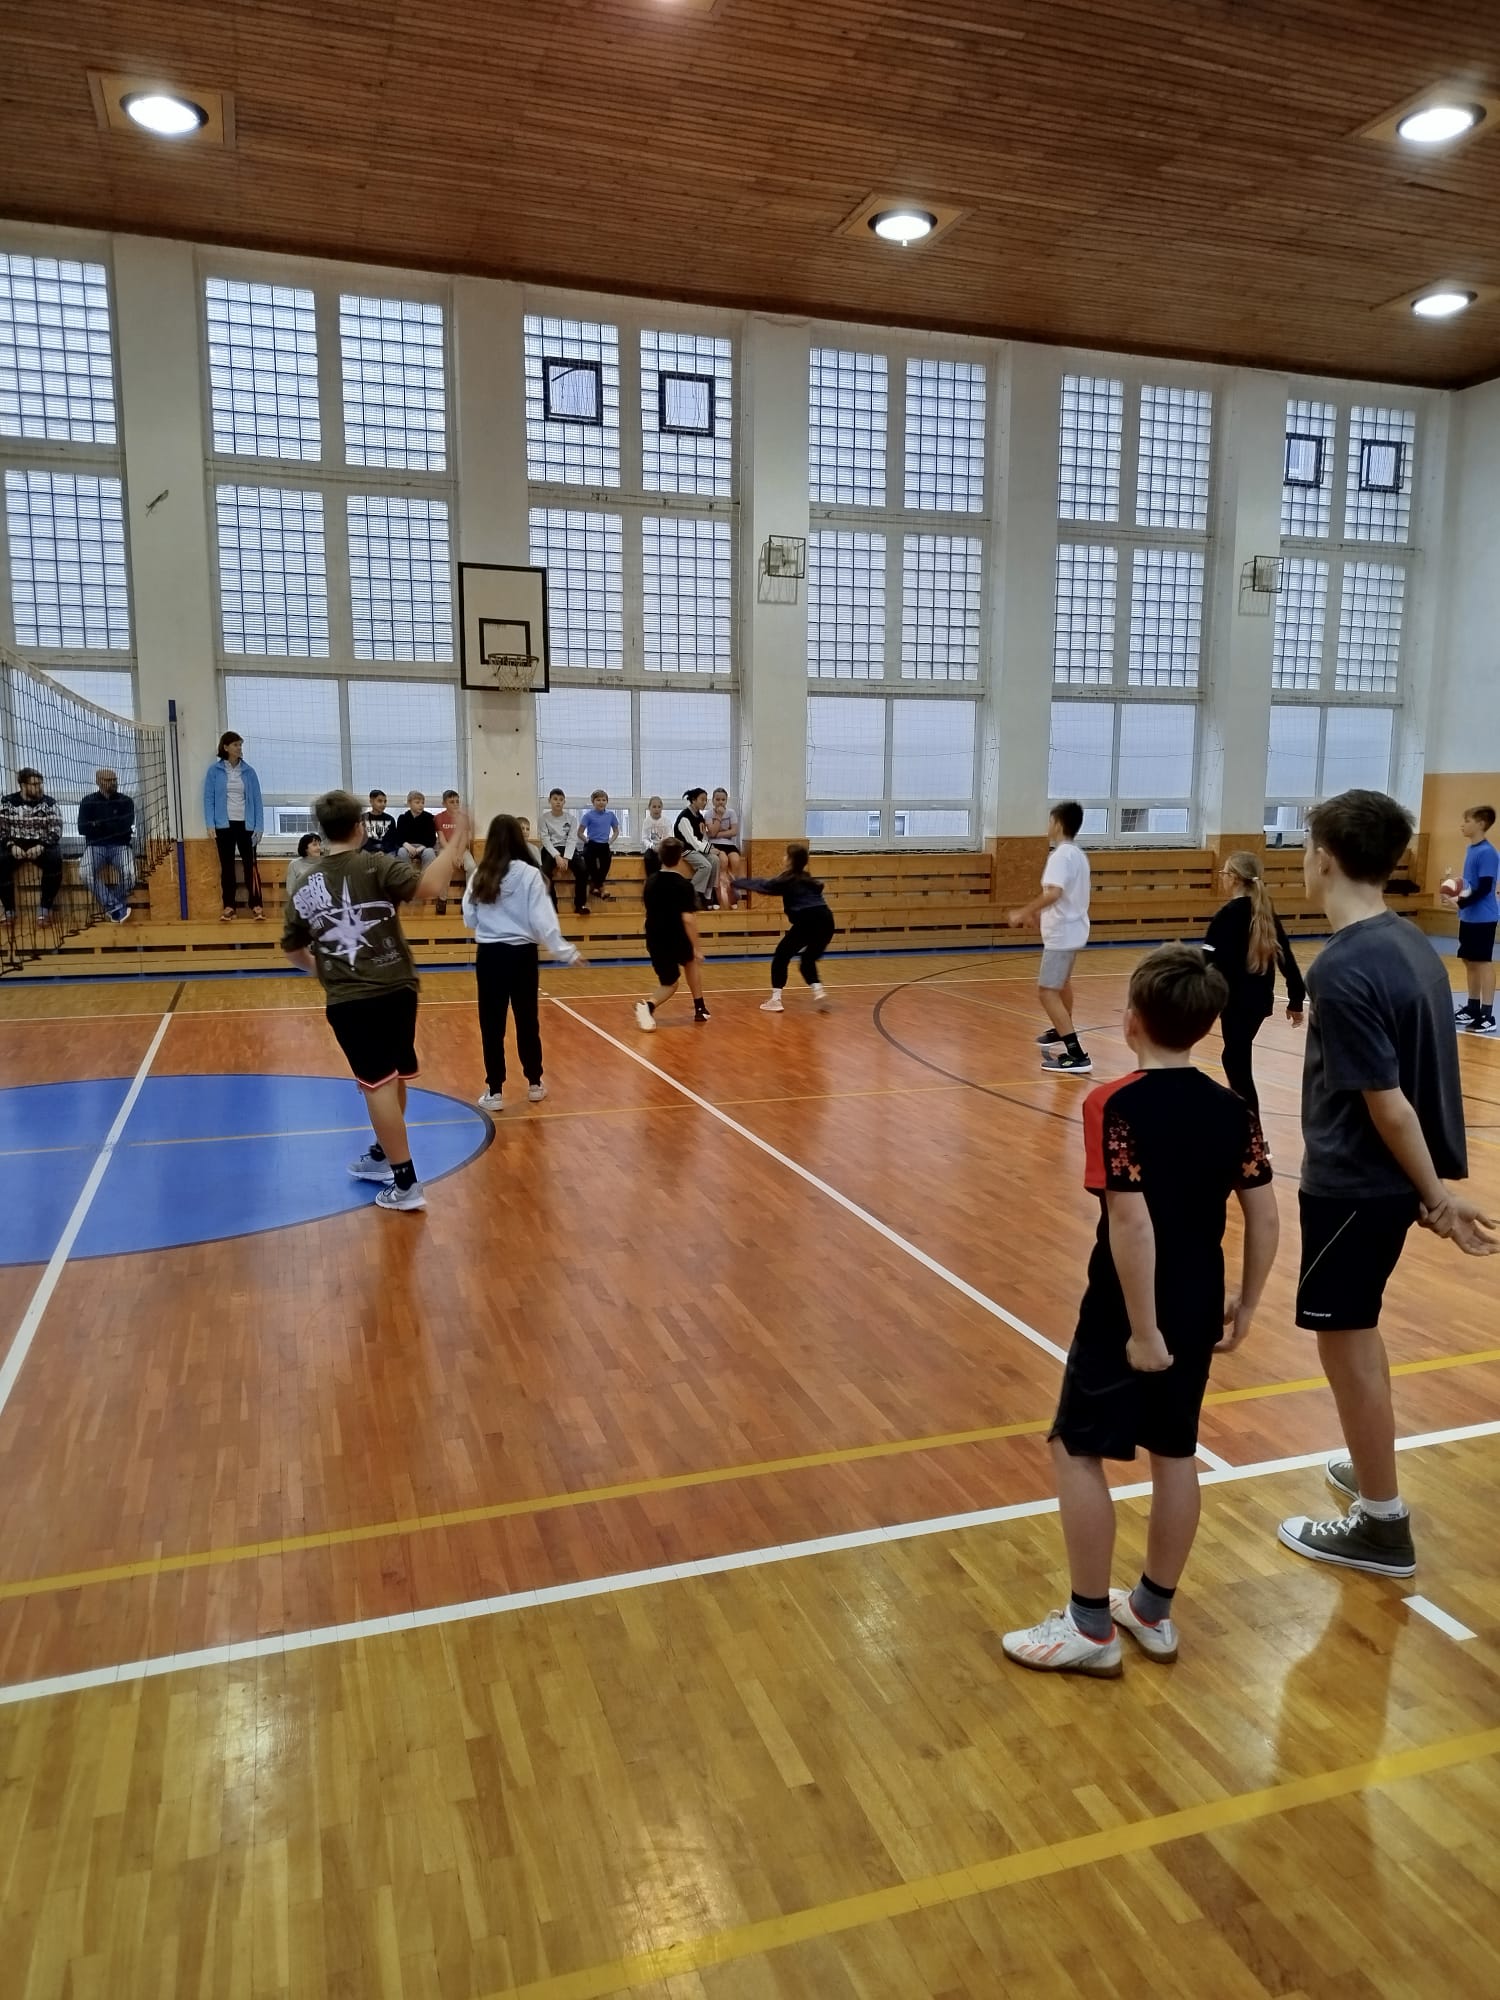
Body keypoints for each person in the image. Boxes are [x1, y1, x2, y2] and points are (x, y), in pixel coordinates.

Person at [1002, 945, 1279, 1677]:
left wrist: (1145, 1330)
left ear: (1130, 1021)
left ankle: (1090, 1626)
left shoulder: (1113, 1104)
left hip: (1129, 1309)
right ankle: (1152, 1610)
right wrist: (1247, 1303)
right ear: (1208, 1025)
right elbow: (1265, 1213)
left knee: (1075, 1447)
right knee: (1175, 1449)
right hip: (1198, 1299)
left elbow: (1131, 1223)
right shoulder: (1234, 1108)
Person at [1277, 789, 1496, 1578]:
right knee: (1359, 1337)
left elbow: (1390, 1102)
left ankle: (1380, 1523)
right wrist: (1427, 1189)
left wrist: (1436, 1198)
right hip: (1382, 1189)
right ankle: (1370, 1468)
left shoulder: (1343, 968)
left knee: (1347, 1348)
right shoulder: (1408, 942)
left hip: (1351, 1189)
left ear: (1324, 859)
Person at [281, 788, 470, 1214]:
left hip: (352, 997)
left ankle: (405, 1183)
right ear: (359, 827)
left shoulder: (306, 884)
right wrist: (457, 841)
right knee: (392, 1077)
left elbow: (293, 949)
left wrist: (320, 969)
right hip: (400, 988)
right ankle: (385, 1155)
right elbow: (431, 885)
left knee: (376, 1082)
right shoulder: (377, 863)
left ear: (322, 831)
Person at [462, 813, 585, 1112]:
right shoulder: (531, 874)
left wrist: (493, 921)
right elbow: (544, 919)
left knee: (492, 1024)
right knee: (527, 1020)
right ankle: (534, 1083)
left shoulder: (480, 875)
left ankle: (494, 1090)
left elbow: (470, 918)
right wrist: (566, 951)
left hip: (490, 955)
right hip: (523, 956)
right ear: (519, 839)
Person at [1202, 850, 1305, 1113]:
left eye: (1225, 873)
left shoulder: (1227, 915)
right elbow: (1286, 955)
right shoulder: (1264, 912)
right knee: (1235, 1056)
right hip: (1258, 1003)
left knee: (1235, 1061)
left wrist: (1198, 999)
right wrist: (1295, 998)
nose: (1222, 878)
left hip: (1234, 1002)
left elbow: (1208, 962)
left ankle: (1250, 1123)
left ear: (1235, 878)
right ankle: (1245, 1119)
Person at [1008, 800, 1091, 1074]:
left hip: (1063, 934)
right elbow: (1062, 896)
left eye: (1049, 820)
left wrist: (1024, 911)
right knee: (1062, 984)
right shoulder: (1077, 854)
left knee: (1047, 991)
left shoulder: (1060, 856)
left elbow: (1054, 893)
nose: (1047, 825)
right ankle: (1061, 1027)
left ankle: (1076, 1054)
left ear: (1057, 823)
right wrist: (1038, 913)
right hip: (1074, 929)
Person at [738, 844, 836, 1012]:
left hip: (808, 918)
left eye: (786, 856)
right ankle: (819, 992)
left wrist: (736, 882)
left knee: (781, 956)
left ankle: (776, 1000)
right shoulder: (808, 878)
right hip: (827, 920)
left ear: (790, 860)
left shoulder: (788, 879)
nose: (784, 858)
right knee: (807, 960)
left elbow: (763, 885)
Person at [634, 839, 709, 1029]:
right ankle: (648, 1006)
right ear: (680, 858)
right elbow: (688, 919)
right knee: (680, 974)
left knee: (675, 975)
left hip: (655, 937)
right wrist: (697, 947)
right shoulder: (684, 885)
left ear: (661, 857)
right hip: (677, 936)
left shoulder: (650, 882)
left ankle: (700, 1007)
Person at [1445, 804, 1498, 1035]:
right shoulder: (1471, 849)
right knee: (1469, 960)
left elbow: (1485, 887)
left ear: (1481, 824)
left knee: (1482, 962)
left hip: (1483, 916)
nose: (1462, 825)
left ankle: (1488, 1015)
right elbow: (1471, 883)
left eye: (1467, 821)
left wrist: (1460, 902)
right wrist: (1455, 893)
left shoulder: (1488, 853)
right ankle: (1473, 1007)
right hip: (1469, 916)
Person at [204, 731, 264, 921]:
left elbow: (257, 800)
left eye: (240, 745)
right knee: (227, 867)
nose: (239, 748)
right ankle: (229, 906)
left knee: (250, 865)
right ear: (226, 747)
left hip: (247, 825)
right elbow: (209, 799)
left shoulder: (249, 771)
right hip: (223, 825)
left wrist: (259, 827)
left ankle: (256, 905)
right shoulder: (214, 771)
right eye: (235, 745)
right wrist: (210, 824)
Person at [0, 767, 64, 928]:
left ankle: (44, 909)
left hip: (41, 842)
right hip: (16, 843)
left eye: (40, 783)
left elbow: (56, 830)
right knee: (1, 861)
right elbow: (2, 829)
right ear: (23, 785)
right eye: (35, 784)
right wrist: (11, 845)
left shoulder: (49, 803)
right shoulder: (7, 802)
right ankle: (9, 911)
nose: (39, 787)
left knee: (55, 860)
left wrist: (41, 845)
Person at [77, 767, 136, 925]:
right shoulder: (88, 801)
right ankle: (115, 906)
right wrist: (111, 824)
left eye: (114, 779)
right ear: (98, 782)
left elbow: (124, 827)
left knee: (131, 876)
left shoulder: (126, 801)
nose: (113, 783)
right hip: (95, 846)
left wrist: (98, 824)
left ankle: (111, 905)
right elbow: (82, 828)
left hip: (121, 846)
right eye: (108, 780)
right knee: (84, 873)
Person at [539, 788, 589, 915]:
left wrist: (566, 857)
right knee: (544, 872)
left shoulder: (571, 819)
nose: (558, 802)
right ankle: (552, 907)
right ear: (549, 801)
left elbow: (572, 839)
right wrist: (557, 856)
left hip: (568, 848)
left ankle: (580, 905)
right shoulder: (543, 818)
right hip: (551, 849)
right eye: (555, 799)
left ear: (564, 802)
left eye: (561, 800)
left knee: (583, 869)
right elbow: (545, 839)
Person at [432, 788, 477, 914]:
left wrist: (459, 855)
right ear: (444, 804)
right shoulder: (439, 818)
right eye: (452, 802)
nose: (455, 804)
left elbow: (464, 838)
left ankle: (467, 901)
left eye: (457, 801)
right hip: (446, 849)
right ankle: (442, 900)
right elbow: (441, 839)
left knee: (472, 866)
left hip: (461, 849)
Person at [674, 788, 718, 907]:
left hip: (697, 848)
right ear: (693, 800)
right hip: (686, 849)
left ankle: (708, 895)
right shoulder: (684, 817)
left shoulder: (700, 817)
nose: (705, 802)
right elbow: (692, 841)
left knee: (715, 860)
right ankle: (688, 895)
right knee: (705, 866)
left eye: (706, 800)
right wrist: (709, 849)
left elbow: (703, 837)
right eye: (702, 799)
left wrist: (710, 848)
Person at [579, 789, 620, 902]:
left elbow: (616, 831)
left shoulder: (610, 815)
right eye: (598, 800)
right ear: (593, 802)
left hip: (604, 845)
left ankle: (595, 887)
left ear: (607, 802)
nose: (601, 802)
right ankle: (601, 888)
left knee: (605, 864)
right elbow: (580, 832)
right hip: (591, 844)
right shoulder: (588, 816)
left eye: (603, 800)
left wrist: (610, 841)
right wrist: (586, 840)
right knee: (589, 860)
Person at [706, 788, 742, 904]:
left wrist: (717, 833)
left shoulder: (731, 812)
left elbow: (734, 831)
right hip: (715, 844)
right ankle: (718, 894)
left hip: (729, 844)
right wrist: (719, 816)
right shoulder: (709, 814)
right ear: (713, 800)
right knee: (723, 861)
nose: (720, 802)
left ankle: (733, 890)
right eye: (717, 799)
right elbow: (712, 833)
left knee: (735, 860)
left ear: (726, 800)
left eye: (723, 799)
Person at [393, 791, 438, 868]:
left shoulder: (429, 818)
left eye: (422, 803)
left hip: (424, 847)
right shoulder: (402, 818)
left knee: (430, 852)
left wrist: (420, 848)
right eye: (417, 802)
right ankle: (407, 875)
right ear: (409, 803)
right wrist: (407, 846)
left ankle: (426, 875)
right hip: (407, 847)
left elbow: (432, 839)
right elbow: (399, 837)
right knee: (401, 852)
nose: (421, 805)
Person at [285, 832, 323, 898]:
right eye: (314, 845)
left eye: (319, 845)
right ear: (305, 848)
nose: (319, 848)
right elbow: (290, 890)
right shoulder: (294, 864)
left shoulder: (326, 863)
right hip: (300, 901)